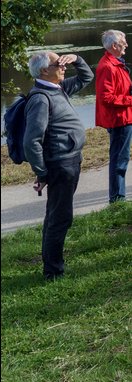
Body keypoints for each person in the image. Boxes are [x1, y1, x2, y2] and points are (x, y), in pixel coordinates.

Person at [22, 50, 94, 280]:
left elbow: (86, 78)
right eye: (58, 64)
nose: (63, 67)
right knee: (60, 217)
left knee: (56, 215)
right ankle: (53, 271)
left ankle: (52, 266)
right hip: (60, 164)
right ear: (44, 70)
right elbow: (31, 141)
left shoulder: (57, 88)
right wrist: (42, 172)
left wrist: (77, 60)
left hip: (69, 160)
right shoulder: (41, 98)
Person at [95, 29, 132, 203]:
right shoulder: (107, 66)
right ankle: (117, 199)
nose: (126, 45)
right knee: (119, 160)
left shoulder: (115, 63)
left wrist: (131, 91)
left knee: (121, 158)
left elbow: (116, 91)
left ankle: (118, 196)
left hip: (123, 116)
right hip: (118, 119)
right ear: (114, 45)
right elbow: (105, 98)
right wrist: (130, 98)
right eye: (123, 42)